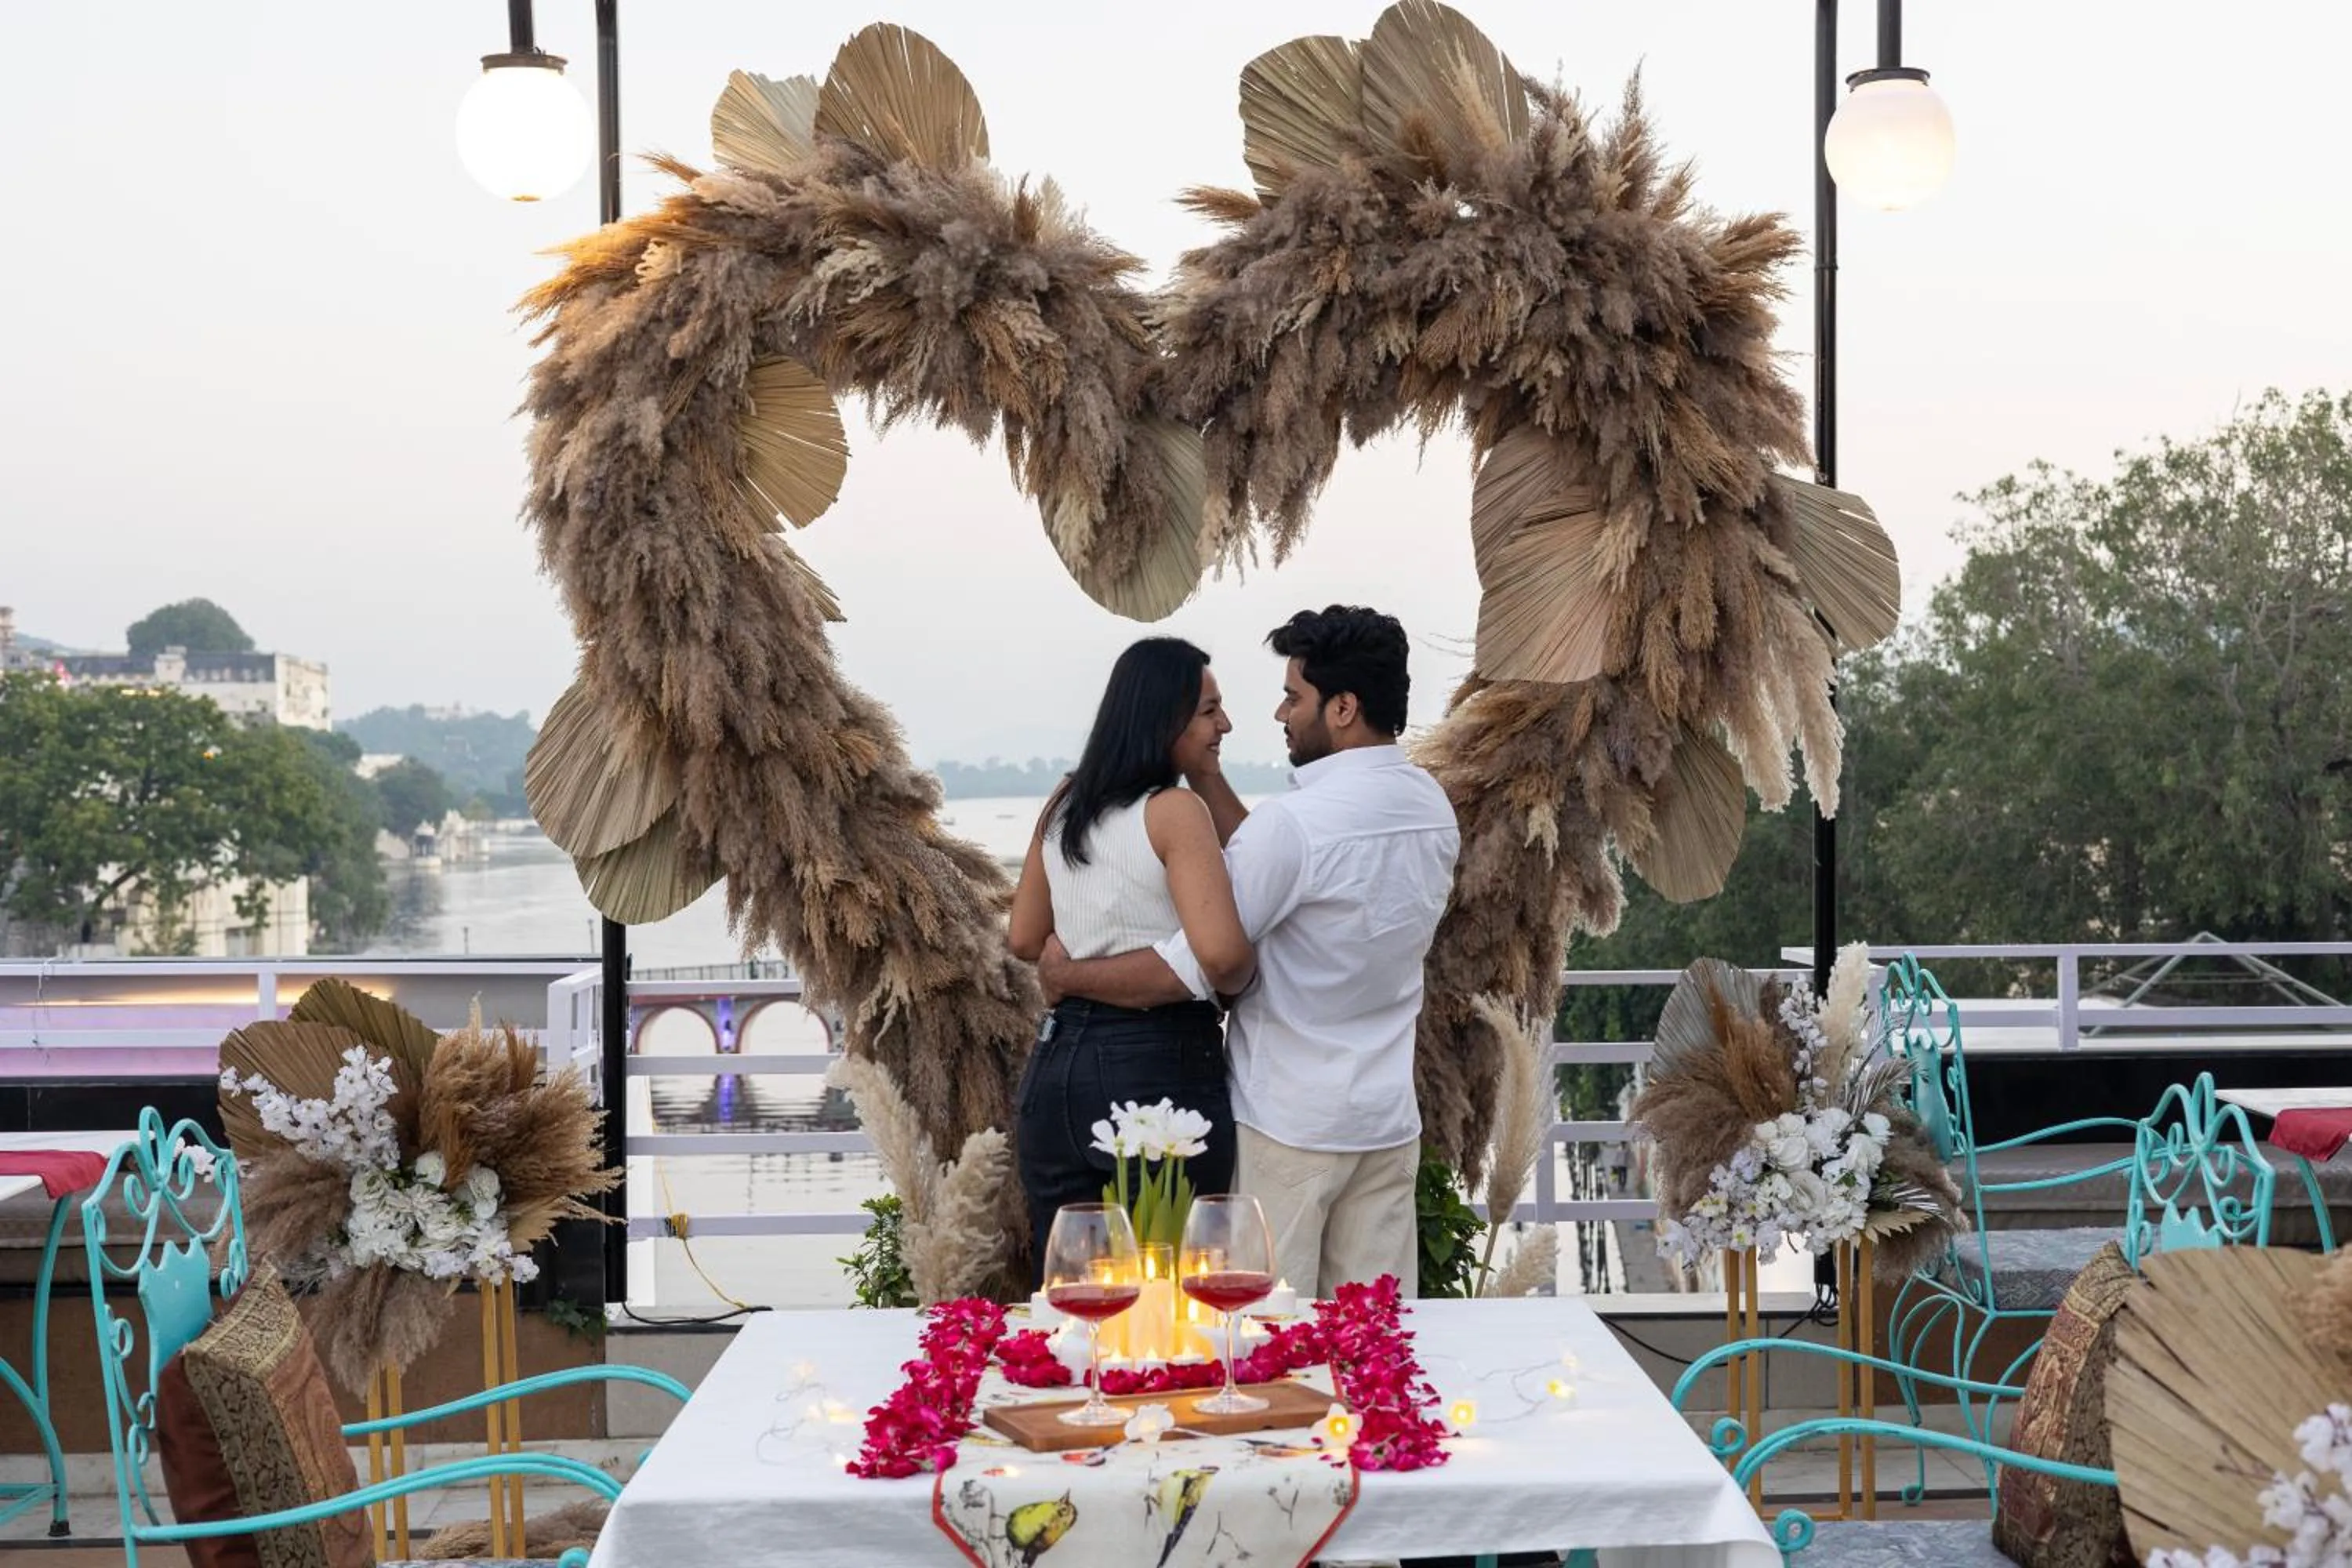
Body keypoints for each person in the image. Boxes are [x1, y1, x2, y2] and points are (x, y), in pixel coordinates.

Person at [1040, 606, 1460, 1299]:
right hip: (1385, 1121)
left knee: (1267, 1339)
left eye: (1295, 697)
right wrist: (1207, 779)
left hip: (1288, 1126)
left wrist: (1067, 975)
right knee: (1373, 1339)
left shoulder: (1296, 825)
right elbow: (1262, 858)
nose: (1279, 713)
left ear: (1344, 707)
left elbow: (1190, 964)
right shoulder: (1428, 806)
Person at [1007, 637, 1256, 1283]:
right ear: (1164, 717)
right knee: (1174, 1288)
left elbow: (1026, 936)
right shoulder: (1174, 812)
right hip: (1157, 1070)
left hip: (1058, 1066)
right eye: (1209, 711)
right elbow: (1224, 957)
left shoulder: (1066, 803)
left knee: (1074, 1294)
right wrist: (1249, 978)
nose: (1224, 724)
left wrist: (1073, 968)